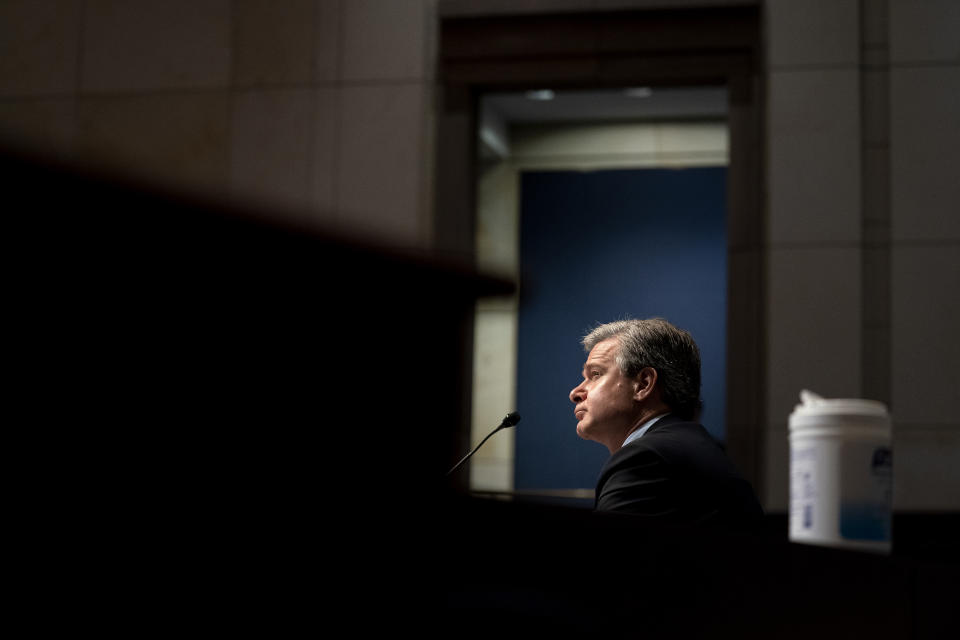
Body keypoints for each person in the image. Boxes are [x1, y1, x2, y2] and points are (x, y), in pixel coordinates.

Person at [569, 318, 763, 529]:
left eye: (595, 374)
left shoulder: (647, 458)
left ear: (643, 384)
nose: (576, 393)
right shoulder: (684, 445)